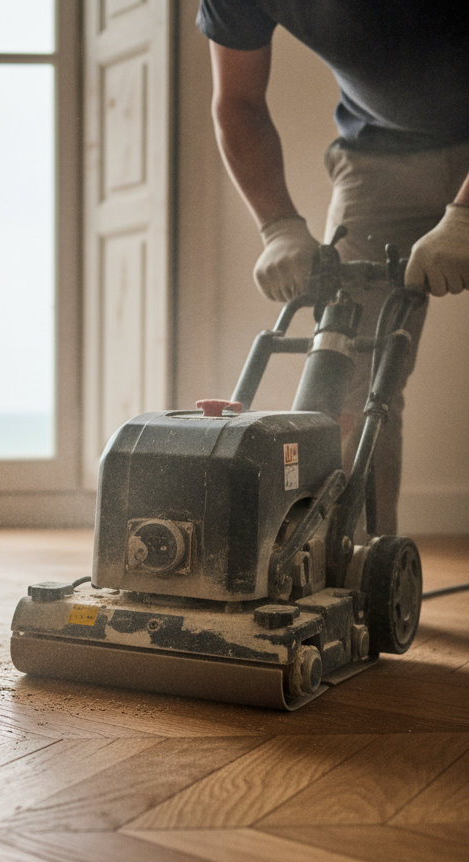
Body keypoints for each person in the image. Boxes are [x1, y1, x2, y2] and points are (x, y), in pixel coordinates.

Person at [197, 1, 469, 534]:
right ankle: (345, 568)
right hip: (379, 159)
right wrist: (278, 226)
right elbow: (238, 102)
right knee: (347, 371)